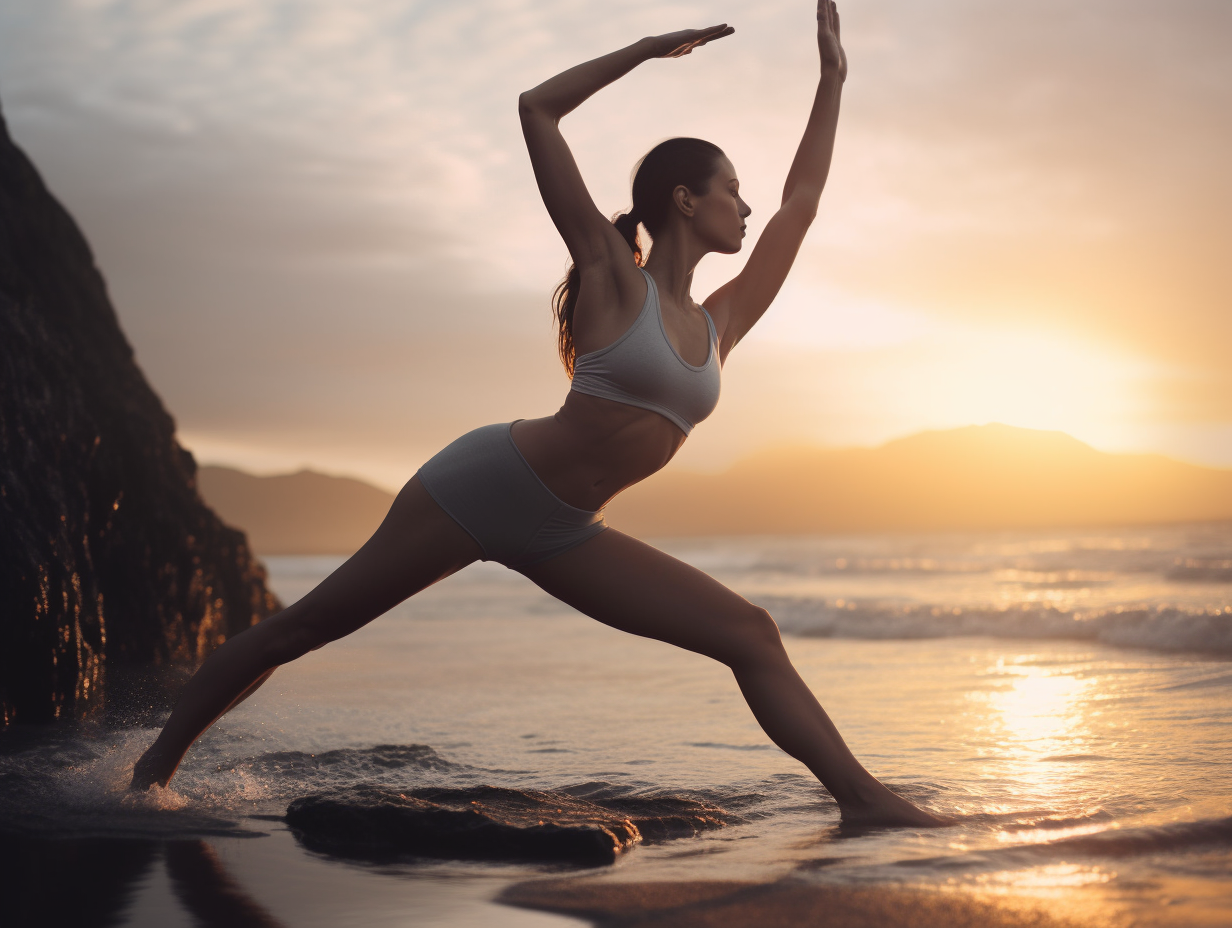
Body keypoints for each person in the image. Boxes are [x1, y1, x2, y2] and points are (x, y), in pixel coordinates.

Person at [132, 1, 945, 828]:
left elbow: (799, 207)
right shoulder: (607, 270)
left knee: (749, 632)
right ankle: (148, 779)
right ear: (685, 200)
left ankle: (866, 802)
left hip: (564, 529)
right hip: (482, 486)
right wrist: (649, 49)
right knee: (298, 633)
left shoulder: (718, 323)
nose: (747, 204)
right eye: (731, 189)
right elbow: (537, 108)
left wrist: (832, 79)